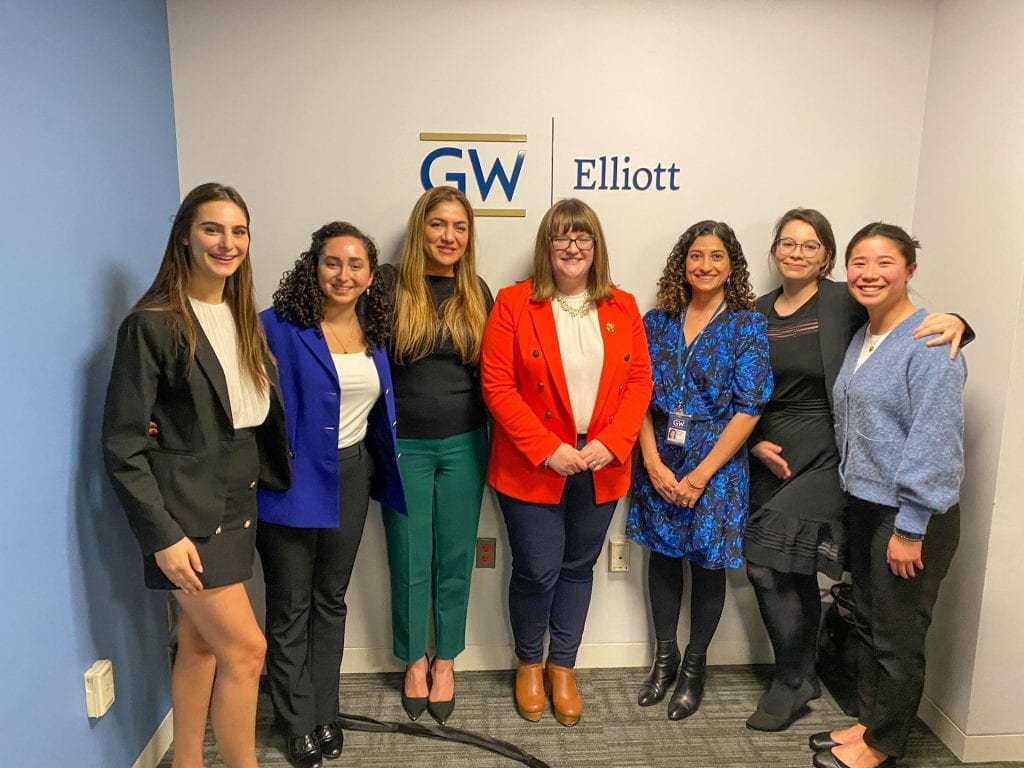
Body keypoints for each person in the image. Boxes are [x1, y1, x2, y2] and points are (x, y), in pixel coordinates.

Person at [742, 209, 970, 731]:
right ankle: (802, 675)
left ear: (826, 256)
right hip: (773, 455)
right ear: (774, 249)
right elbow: (736, 385)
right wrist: (753, 440)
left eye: (810, 245)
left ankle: (796, 679)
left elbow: (911, 327)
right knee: (785, 564)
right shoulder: (752, 312)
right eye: (787, 243)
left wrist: (958, 322)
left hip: (832, 454)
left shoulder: (846, 298)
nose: (797, 253)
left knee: (764, 559)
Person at [102, 183, 290, 768]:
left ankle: (186, 762)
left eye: (238, 231)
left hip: (240, 499)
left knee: (203, 647)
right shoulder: (152, 324)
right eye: (212, 229)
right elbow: (122, 444)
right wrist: (160, 534)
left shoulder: (241, 317)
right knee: (248, 652)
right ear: (185, 234)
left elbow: (240, 415)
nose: (226, 243)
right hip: (189, 517)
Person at [481, 198, 653, 726]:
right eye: (561, 237)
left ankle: (563, 666)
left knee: (578, 568)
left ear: (596, 247)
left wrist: (614, 441)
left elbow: (640, 381)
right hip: (533, 462)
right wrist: (546, 448)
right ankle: (529, 664)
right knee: (536, 570)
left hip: (601, 461)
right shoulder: (514, 303)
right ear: (546, 246)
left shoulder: (622, 306)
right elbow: (497, 384)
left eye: (583, 238)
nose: (573, 247)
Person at [810, 224, 966, 768]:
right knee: (872, 624)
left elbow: (935, 438)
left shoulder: (929, 341)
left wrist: (911, 526)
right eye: (858, 262)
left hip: (909, 515)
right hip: (869, 504)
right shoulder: (866, 334)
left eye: (884, 263)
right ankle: (870, 723)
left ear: (910, 270)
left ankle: (884, 746)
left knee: (900, 637)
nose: (869, 274)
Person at [257, 222, 406, 767]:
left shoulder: (374, 328)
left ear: (370, 275)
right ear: (313, 266)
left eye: (355, 265)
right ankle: (295, 720)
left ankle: (324, 710)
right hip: (291, 481)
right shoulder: (275, 327)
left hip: (351, 475)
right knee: (291, 605)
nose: (343, 275)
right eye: (332, 263)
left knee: (330, 600)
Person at [627, 220, 772, 721]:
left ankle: (693, 669)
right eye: (695, 255)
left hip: (717, 465)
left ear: (732, 265)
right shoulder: (656, 321)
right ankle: (663, 663)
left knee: (707, 564)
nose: (705, 265)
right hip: (658, 457)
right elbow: (637, 397)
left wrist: (700, 475)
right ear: (681, 263)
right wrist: (649, 459)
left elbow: (749, 407)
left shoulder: (746, 325)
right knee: (664, 558)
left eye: (716, 256)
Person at [379, 186, 492, 725]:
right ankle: (413, 660)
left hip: (467, 443)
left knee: (453, 558)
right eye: (439, 225)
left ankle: (445, 659)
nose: (449, 237)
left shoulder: (479, 291)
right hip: (404, 446)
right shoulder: (388, 285)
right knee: (408, 556)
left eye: (460, 227)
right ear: (420, 227)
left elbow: (492, 376)